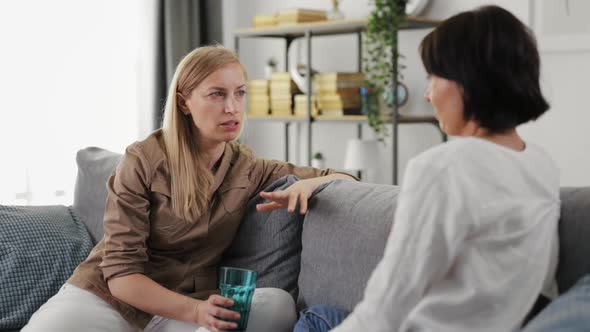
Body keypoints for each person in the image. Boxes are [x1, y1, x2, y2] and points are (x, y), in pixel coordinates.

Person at [22, 45, 355, 332]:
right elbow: (121, 276)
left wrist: (311, 183)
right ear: (184, 102)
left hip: (188, 304)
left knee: (278, 305)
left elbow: (346, 177)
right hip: (110, 298)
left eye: (240, 93)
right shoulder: (143, 160)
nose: (232, 107)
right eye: (217, 94)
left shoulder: (249, 167)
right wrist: (196, 312)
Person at [293, 5, 560, 332]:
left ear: (468, 81)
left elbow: (385, 309)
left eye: (434, 76)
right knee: (318, 315)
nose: (428, 93)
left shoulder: (443, 167)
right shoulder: (541, 163)